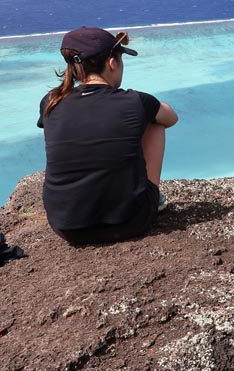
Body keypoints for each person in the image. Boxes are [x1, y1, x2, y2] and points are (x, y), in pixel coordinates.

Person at [37, 27, 178, 245]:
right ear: (112, 63)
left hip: (66, 226)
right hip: (129, 222)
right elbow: (170, 118)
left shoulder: (51, 102)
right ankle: (153, 198)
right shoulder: (136, 102)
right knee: (155, 123)